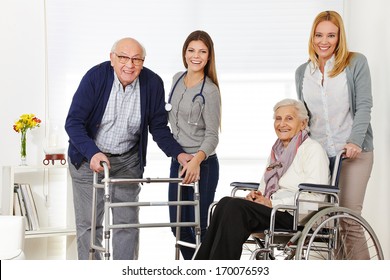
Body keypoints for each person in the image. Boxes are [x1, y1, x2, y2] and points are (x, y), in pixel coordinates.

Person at [65, 37, 193, 260]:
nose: (129, 65)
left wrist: (179, 153)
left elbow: (159, 128)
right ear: (112, 58)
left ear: (143, 62)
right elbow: (73, 122)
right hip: (88, 159)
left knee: (127, 223)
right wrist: (93, 152)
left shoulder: (152, 83)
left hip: (126, 161)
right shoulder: (95, 77)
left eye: (136, 59)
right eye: (123, 57)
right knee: (90, 224)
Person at [194, 98, 329, 260]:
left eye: (289, 118)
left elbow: (315, 198)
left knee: (235, 208)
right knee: (225, 203)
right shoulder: (277, 150)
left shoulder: (312, 150)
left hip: (294, 215)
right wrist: (258, 196)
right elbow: (265, 188)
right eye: (278, 119)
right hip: (273, 210)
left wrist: (272, 203)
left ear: (303, 123)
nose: (282, 124)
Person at [295, 11, 374, 259]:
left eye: (331, 35)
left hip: (352, 153)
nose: (324, 41)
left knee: (348, 219)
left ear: (340, 37)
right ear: (312, 37)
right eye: (319, 35)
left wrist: (354, 142)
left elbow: (364, 106)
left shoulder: (355, 63)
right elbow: (304, 117)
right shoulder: (302, 72)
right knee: (325, 223)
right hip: (319, 156)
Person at [166, 30, 222, 260]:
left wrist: (196, 162)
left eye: (202, 51)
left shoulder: (210, 90)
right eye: (191, 50)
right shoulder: (177, 79)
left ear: (209, 57)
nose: (195, 56)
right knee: (177, 225)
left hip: (203, 165)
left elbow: (212, 135)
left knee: (199, 227)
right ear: (184, 53)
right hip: (178, 161)